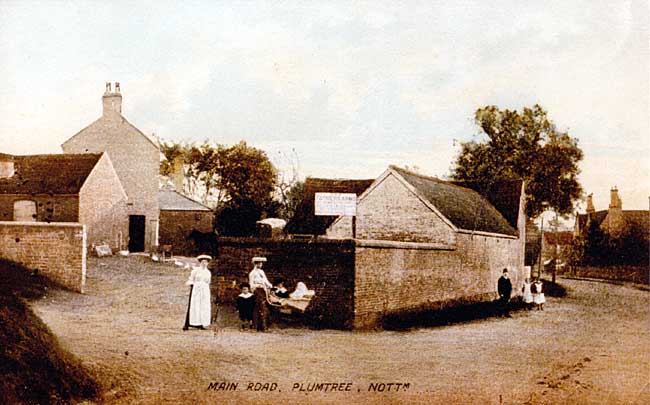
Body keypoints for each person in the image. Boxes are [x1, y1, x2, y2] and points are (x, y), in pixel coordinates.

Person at [182, 254, 212, 330]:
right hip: (196, 289)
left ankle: (201, 323)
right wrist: (192, 286)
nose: (204, 264)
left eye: (206, 262)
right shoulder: (195, 271)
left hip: (205, 290)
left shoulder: (208, 272)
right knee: (195, 305)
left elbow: (208, 282)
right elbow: (191, 279)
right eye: (203, 262)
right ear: (200, 263)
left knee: (203, 306)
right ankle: (189, 323)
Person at [249, 257, 271, 331]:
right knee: (259, 307)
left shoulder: (261, 272)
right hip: (257, 291)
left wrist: (269, 286)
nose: (261, 264)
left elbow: (265, 281)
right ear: (256, 264)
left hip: (263, 290)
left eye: (261, 263)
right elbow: (251, 284)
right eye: (259, 263)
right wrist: (254, 291)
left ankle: (263, 326)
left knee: (263, 308)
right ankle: (257, 326)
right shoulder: (252, 273)